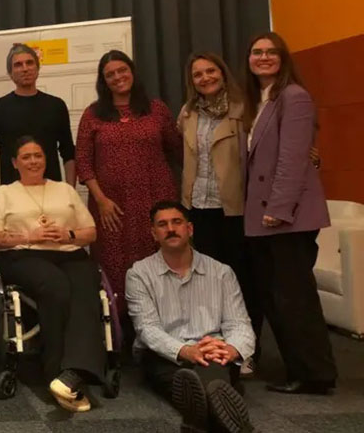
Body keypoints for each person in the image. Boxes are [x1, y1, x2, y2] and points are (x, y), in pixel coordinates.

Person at [242, 32, 335, 394]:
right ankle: (301, 369)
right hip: (264, 217)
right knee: (277, 297)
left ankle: (315, 374)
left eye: (271, 52)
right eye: (257, 52)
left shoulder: (294, 96)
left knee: (295, 298)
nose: (263, 57)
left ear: (283, 58)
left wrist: (279, 208)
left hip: (286, 217)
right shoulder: (259, 101)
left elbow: (293, 159)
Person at [0, 136, 103, 413]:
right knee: (55, 284)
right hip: (22, 255)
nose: (33, 161)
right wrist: (29, 236)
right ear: (15, 163)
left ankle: (73, 374)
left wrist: (68, 234)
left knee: (86, 283)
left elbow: (90, 232)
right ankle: (54, 370)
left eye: (38, 155)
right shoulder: (4, 193)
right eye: (26, 157)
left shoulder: (65, 190)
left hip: (68, 252)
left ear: (46, 159)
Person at [126, 201, 257, 433]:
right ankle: (236, 421)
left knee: (205, 376)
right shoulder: (139, 274)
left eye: (177, 222)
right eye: (162, 225)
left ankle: (196, 421)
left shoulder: (221, 272)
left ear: (190, 229)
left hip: (214, 351)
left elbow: (239, 324)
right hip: (166, 354)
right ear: (154, 234)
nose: (170, 229)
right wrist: (186, 351)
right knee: (192, 380)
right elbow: (147, 329)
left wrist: (231, 350)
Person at [75, 50, 181, 315]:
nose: (117, 77)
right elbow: (83, 163)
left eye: (122, 70)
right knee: (114, 264)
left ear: (132, 72)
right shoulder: (93, 114)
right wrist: (101, 200)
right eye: (110, 74)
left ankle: (163, 322)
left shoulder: (157, 109)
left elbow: (177, 150)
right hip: (111, 208)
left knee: (159, 260)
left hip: (154, 202)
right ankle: (120, 326)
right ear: (103, 81)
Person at [178, 53, 260, 375]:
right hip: (199, 208)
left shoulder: (244, 110)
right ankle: (216, 347)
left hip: (235, 208)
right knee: (208, 285)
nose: (205, 78)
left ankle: (247, 350)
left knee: (242, 281)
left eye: (210, 71)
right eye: (197, 74)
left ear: (223, 73)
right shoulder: (187, 113)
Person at [0, 44, 76, 191]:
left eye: (29, 63)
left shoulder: (56, 105)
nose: (25, 68)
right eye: (18, 65)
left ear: (37, 68)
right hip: (12, 194)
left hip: (51, 192)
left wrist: (70, 191)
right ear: (10, 72)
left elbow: (68, 152)